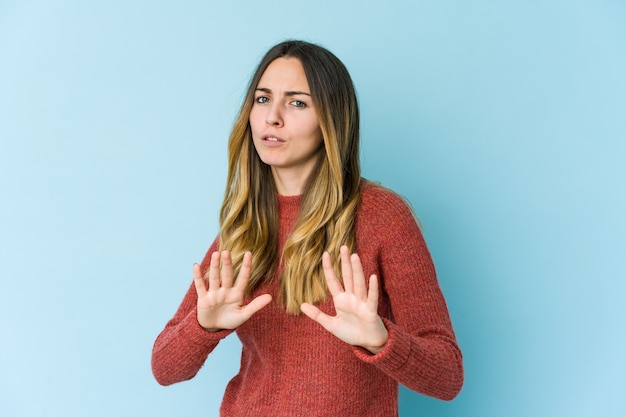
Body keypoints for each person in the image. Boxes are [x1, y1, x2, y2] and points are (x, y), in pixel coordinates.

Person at [151, 40, 463, 416]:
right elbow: (165, 368)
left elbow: (447, 377)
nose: (272, 117)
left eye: (297, 102)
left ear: (331, 119)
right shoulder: (244, 227)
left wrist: (381, 340)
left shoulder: (382, 216)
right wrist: (203, 326)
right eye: (263, 99)